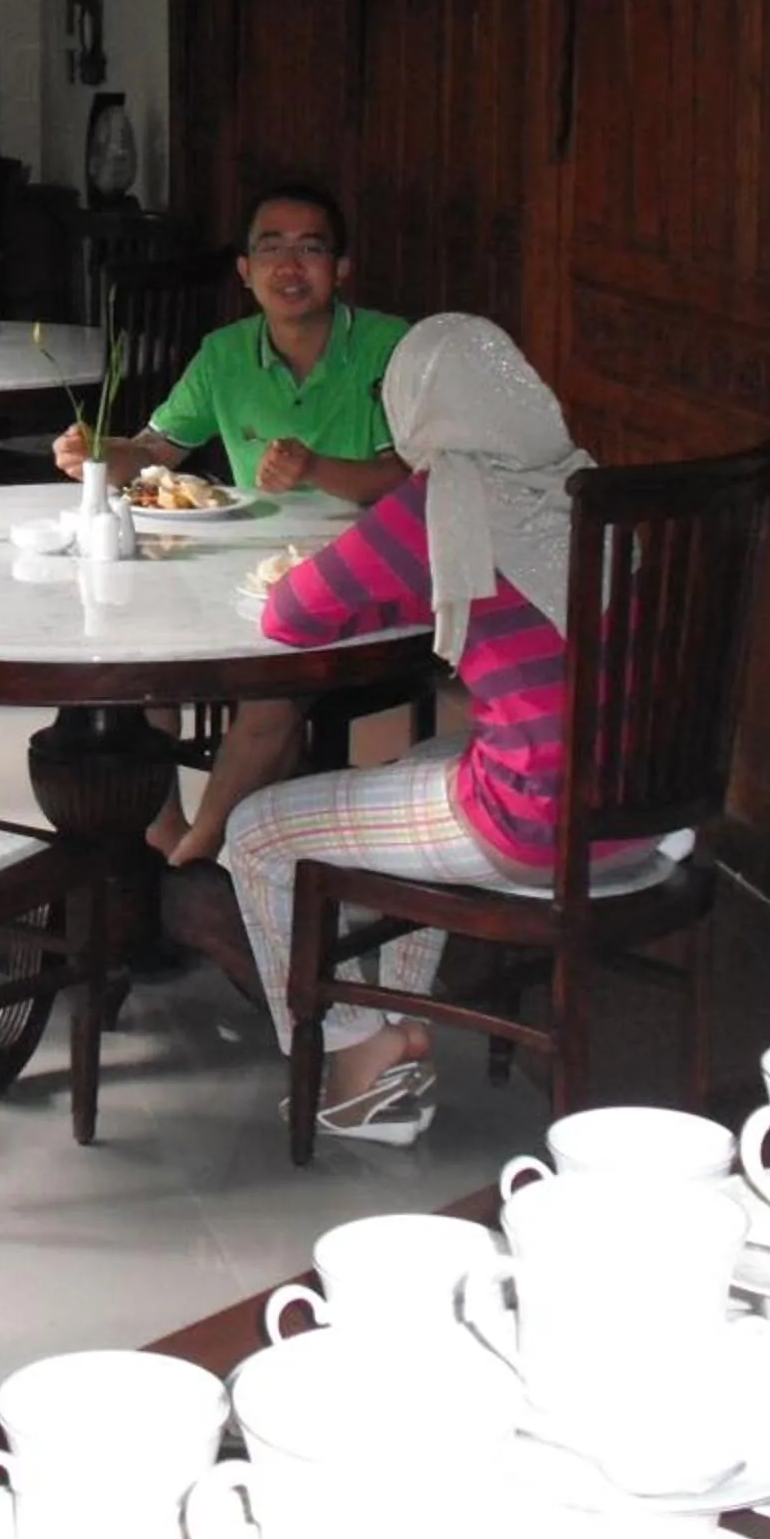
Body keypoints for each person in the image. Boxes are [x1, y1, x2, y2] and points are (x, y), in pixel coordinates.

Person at [218, 312, 595, 1145]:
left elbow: (290, 614)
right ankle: (402, 1026)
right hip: (646, 816)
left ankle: (353, 1054)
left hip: (538, 824)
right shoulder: (582, 483)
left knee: (254, 831)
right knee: (431, 757)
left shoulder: (438, 501)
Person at [51, 185, 408, 864]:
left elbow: (410, 480)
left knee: (273, 698)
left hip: (369, 567)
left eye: (311, 248)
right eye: (270, 248)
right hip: (250, 566)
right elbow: (157, 454)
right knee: (140, 662)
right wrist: (98, 450)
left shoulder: (391, 347)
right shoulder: (223, 352)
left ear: (343, 268)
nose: (290, 266)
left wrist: (314, 468)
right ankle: (161, 838)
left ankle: (194, 859)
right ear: (244, 271)